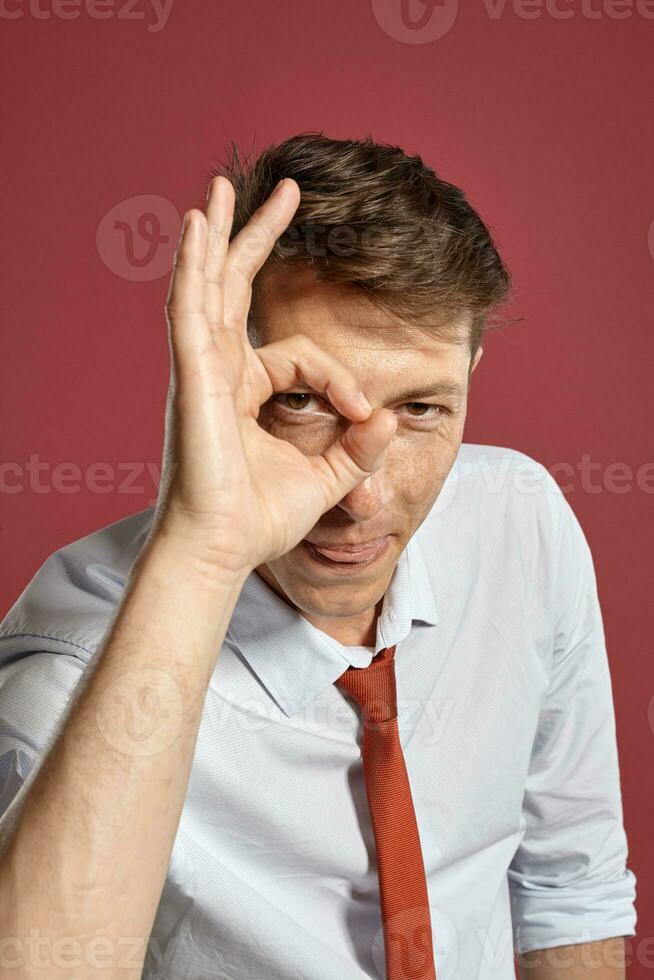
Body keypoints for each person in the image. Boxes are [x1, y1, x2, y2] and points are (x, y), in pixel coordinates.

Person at [0, 133, 636, 980]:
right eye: (300, 401)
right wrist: (201, 551)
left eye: (421, 409)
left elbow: (569, 881)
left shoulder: (520, 523)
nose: (360, 498)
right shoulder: (75, 666)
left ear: (473, 373)